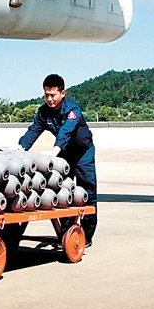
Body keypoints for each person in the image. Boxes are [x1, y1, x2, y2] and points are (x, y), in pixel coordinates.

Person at [19, 74, 97, 244]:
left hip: (83, 153)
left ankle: (86, 236)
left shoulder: (72, 110)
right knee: (64, 192)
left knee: (87, 193)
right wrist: (20, 148)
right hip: (65, 154)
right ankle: (68, 234)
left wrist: (54, 152)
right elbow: (34, 130)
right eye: (46, 95)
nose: (49, 99)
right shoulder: (43, 112)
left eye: (53, 95)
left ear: (63, 93)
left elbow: (66, 132)